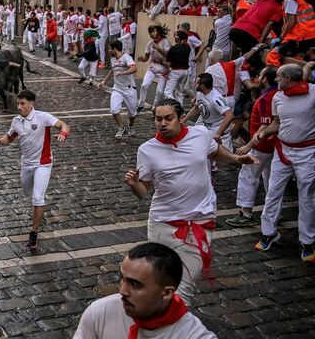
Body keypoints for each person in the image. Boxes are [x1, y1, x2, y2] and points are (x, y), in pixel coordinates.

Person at [125, 98, 257, 303]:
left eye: (168, 118)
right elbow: (143, 193)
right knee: (161, 282)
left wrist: (237, 159)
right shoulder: (147, 150)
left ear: (181, 118)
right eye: (158, 119)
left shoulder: (201, 134)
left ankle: (173, 326)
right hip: (163, 224)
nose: (163, 123)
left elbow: (215, 152)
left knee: (184, 287)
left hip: (199, 221)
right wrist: (134, 184)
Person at [74, 242, 217, 338]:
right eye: (122, 278)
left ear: (167, 293)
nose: (122, 291)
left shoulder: (193, 335)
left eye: (135, 284)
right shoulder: (100, 313)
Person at [0, 90, 70, 250]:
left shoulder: (43, 117)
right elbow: (9, 138)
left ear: (31, 104)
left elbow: (63, 125)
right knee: (28, 192)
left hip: (43, 164)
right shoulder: (16, 121)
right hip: (26, 164)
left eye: (22, 103)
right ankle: (38, 210)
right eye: (17, 104)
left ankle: (33, 234)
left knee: (38, 198)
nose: (19, 107)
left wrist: (63, 134)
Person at [253, 64, 315, 261]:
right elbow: (276, 123)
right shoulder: (278, 97)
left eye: (279, 77)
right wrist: (264, 131)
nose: (276, 79)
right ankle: (269, 233)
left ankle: (307, 241)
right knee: (272, 192)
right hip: (282, 151)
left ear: (288, 78)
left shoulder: (313, 93)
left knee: (306, 197)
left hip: (307, 153)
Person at [226, 66, 278, 227]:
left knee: (248, 176)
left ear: (265, 79)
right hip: (274, 146)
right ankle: (272, 213)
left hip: (262, 146)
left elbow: (265, 125)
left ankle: (246, 213)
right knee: (270, 180)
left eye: (260, 75)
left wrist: (249, 146)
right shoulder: (278, 95)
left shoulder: (266, 98)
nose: (257, 77)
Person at [181, 73, 235, 158]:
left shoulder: (215, 98)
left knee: (226, 159)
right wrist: (184, 120)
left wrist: (218, 133)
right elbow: (196, 108)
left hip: (217, 131)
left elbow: (230, 115)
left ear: (202, 86)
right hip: (206, 129)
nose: (194, 84)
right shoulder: (200, 93)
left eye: (196, 83)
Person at [266, 0, 315, 67]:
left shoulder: (290, 0)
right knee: (295, 56)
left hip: (301, 36)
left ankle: (272, 75)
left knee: (272, 55)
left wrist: (281, 38)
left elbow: (290, 22)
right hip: (308, 35)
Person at [98, 41, 138, 138]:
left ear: (114, 48)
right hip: (117, 89)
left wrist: (124, 73)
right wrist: (104, 81)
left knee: (132, 113)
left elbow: (134, 68)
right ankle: (121, 127)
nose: (108, 51)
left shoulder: (126, 58)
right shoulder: (113, 59)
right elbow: (112, 71)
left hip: (129, 89)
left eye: (109, 48)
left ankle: (131, 125)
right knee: (114, 110)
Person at [137, 25, 172, 111]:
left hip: (163, 71)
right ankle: (140, 104)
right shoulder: (150, 44)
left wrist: (158, 48)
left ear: (159, 32)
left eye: (153, 32)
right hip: (152, 69)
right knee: (144, 85)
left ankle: (155, 108)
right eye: (150, 32)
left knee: (159, 92)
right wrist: (142, 59)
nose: (151, 34)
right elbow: (146, 58)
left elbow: (168, 55)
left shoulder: (165, 42)